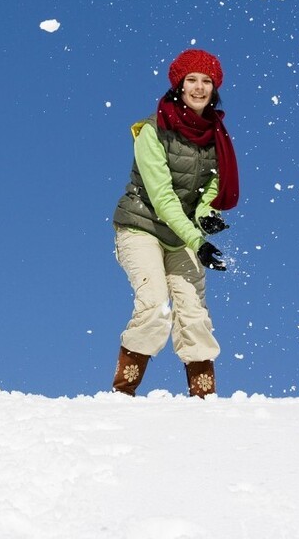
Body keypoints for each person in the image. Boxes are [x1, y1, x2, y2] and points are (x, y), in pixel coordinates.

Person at [111, 48, 240, 398]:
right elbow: (163, 198)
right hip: (142, 225)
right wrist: (198, 241)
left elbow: (208, 193)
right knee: (154, 306)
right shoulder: (152, 131)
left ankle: (203, 399)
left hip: (181, 231)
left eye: (206, 81)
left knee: (194, 314)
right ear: (178, 86)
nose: (199, 88)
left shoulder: (216, 138)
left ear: (215, 89)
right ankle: (123, 394)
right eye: (192, 80)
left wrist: (206, 217)